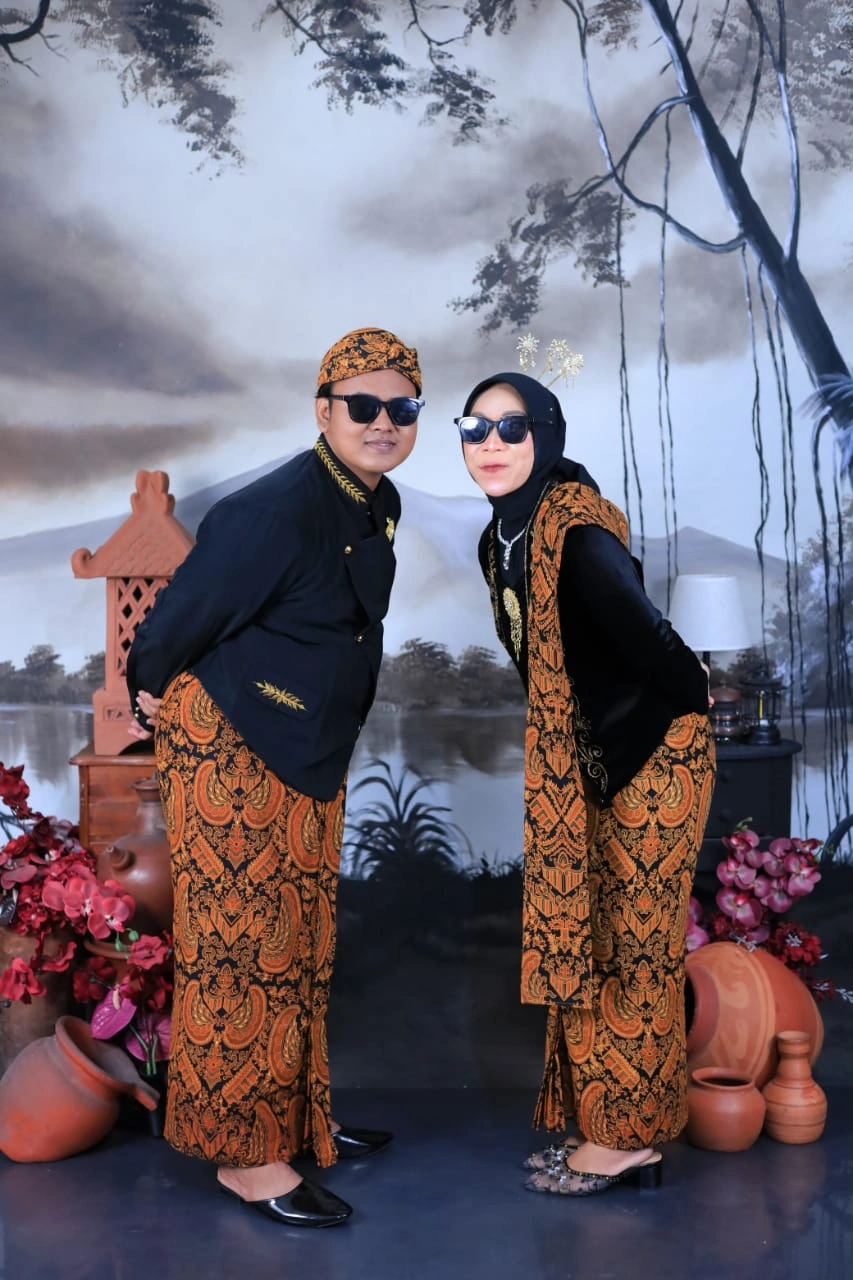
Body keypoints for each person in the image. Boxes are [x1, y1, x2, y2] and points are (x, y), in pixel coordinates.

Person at [125, 327, 422, 1228]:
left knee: (299, 942)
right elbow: (171, 625)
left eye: (401, 407)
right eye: (362, 406)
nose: (382, 422)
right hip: (234, 743)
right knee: (240, 956)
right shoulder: (272, 511)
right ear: (324, 411)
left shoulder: (373, 498)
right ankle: (246, 1160)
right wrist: (147, 690)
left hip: (302, 743)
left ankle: (294, 1121)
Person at [455, 369, 715, 1196]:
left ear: (546, 435)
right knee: (593, 946)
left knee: (634, 950)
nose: (490, 444)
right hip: (591, 764)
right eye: (474, 428)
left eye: (511, 427)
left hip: (651, 757)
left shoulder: (573, 530)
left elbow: (653, 642)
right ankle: (605, 1122)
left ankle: (629, 1140)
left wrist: (691, 697)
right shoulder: (503, 535)